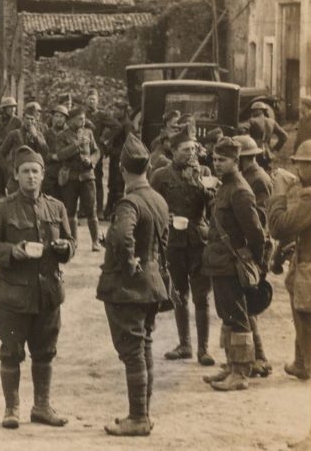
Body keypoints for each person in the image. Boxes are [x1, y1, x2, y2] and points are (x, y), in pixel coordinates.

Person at [0, 145, 75, 430]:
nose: (31, 176)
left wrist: (64, 248)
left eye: (35, 171)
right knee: (11, 352)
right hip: (13, 297)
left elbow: (72, 243)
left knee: (45, 352)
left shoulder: (56, 207)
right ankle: (12, 409)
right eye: (25, 171)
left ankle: (42, 406)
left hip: (48, 296)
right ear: (16, 176)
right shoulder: (1, 209)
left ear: (43, 175)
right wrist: (11, 251)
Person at [98, 133, 170, 437]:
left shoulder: (130, 201)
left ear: (122, 169)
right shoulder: (157, 199)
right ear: (148, 165)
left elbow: (122, 235)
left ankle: (138, 417)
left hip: (128, 288)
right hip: (152, 284)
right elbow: (160, 240)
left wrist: (127, 262)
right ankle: (143, 413)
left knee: (132, 352)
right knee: (144, 348)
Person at [201, 137, 266, 391]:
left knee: (238, 318)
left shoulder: (239, 190)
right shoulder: (225, 187)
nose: (217, 164)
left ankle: (241, 373)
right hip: (219, 262)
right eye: (215, 159)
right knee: (227, 314)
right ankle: (231, 365)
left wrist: (254, 262)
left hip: (232, 263)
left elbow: (256, 233)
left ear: (236, 161)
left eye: (223, 160)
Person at [150, 131, 216, 366]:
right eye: (185, 150)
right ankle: (185, 344)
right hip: (174, 243)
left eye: (193, 150)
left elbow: (213, 208)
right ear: (174, 151)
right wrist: (164, 218)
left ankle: (203, 350)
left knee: (202, 296)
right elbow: (152, 205)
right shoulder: (161, 176)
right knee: (178, 294)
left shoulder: (205, 173)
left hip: (199, 241)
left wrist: (206, 190)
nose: (190, 154)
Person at [269, 140, 311, 387]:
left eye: (303, 166)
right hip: (305, 262)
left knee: (305, 314)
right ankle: (301, 362)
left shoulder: (310, 199)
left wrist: (279, 194)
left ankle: (306, 364)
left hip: (309, 265)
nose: (298, 170)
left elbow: (280, 227)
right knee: (303, 311)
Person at [236, 134, 274, 377]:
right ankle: (253, 358)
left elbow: (259, 219)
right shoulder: (250, 176)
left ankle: (259, 358)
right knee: (245, 306)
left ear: (244, 159)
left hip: (256, 248)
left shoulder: (258, 179)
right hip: (251, 246)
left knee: (249, 306)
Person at [56, 107, 102, 251]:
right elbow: (61, 155)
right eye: (80, 119)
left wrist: (91, 160)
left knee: (91, 210)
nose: (83, 122)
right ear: (71, 121)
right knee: (70, 211)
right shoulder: (62, 136)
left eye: (84, 118)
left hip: (87, 176)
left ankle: (96, 242)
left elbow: (96, 151)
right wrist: (75, 144)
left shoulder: (89, 132)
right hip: (71, 176)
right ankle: (73, 241)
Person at [0, 102, 48, 194]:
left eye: (32, 119)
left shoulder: (39, 135)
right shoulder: (14, 134)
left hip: (33, 176)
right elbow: (1, 153)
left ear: (35, 120)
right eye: (27, 119)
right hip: (16, 176)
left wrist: (36, 137)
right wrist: (9, 168)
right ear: (23, 118)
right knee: (14, 202)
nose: (29, 122)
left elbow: (45, 151)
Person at [101, 101, 133, 219]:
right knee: (111, 184)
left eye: (118, 110)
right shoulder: (116, 123)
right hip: (114, 158)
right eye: (115, 109)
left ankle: (116, 211)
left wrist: (116, 152)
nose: (115, 112)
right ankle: (109, 210)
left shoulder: (127, 124)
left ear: (124, 111)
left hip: (121, 158)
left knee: (119, 185)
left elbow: (128, 143)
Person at [0, 97, 22, 199]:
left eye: (14, 107)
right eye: (9, 107)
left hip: (10, 160)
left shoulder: (18, 122)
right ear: (3, 109)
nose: (12, 110)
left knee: (12, 186)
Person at [85, 90, 110, 218]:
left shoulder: (102, 115)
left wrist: (104, 138)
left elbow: (116, 126)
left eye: (93, 99)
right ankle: (86, 209)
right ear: (86, 100)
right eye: (89, 98)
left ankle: (99, 210)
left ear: (97, 101)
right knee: (84, 180)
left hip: (96, 151)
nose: (91, 101)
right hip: (83, 151)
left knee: (98, 180)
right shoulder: (82, 114)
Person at [241, 101, 288, 168]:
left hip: (255, 151)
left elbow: (243, 129)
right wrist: (275, 149)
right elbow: (284, 136)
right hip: (268, 153)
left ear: (258, 111)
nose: (252, 113)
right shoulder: (272, 122)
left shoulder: (252, 121)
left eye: (253, 111)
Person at [43, 105, 68, 197]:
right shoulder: (47, 134)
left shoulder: (69, 133)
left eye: (61, 117)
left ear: (65, 118)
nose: (59, 119)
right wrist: (52, 156)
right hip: (50, 172)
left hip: (66, 173)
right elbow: (42, 152)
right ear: (53, 118)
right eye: (56, 116)